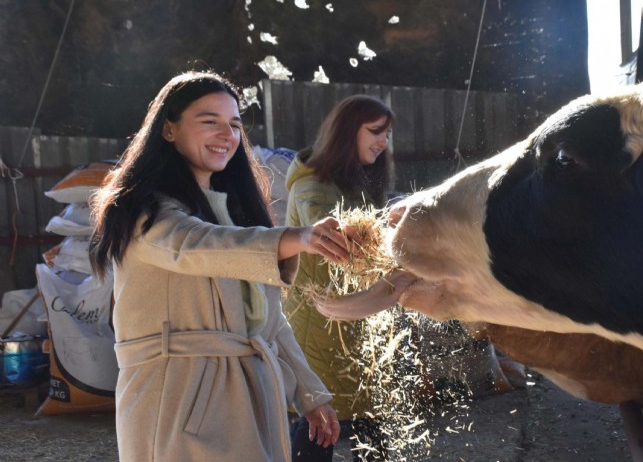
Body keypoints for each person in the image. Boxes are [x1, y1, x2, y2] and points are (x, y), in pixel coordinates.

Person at [89, 71, 347, 461]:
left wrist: (309, 394)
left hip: (248, 391)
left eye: (234, 124)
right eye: (210, 121)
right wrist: (300, 237)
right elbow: (193, 245)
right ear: (169, 129)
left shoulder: (235, 214)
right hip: (176, 396)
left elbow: (269, 321)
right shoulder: (143, 210)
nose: (227, 134)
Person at [284, 95, 415, 461]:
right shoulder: (312, 187)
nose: (383, 142)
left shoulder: (357, 178)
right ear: (346, 133)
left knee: (365, 423)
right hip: (320, 327)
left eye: (387, 134)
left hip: (355, 327)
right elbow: (338, 236)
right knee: (320, 424)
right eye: (375, 132)